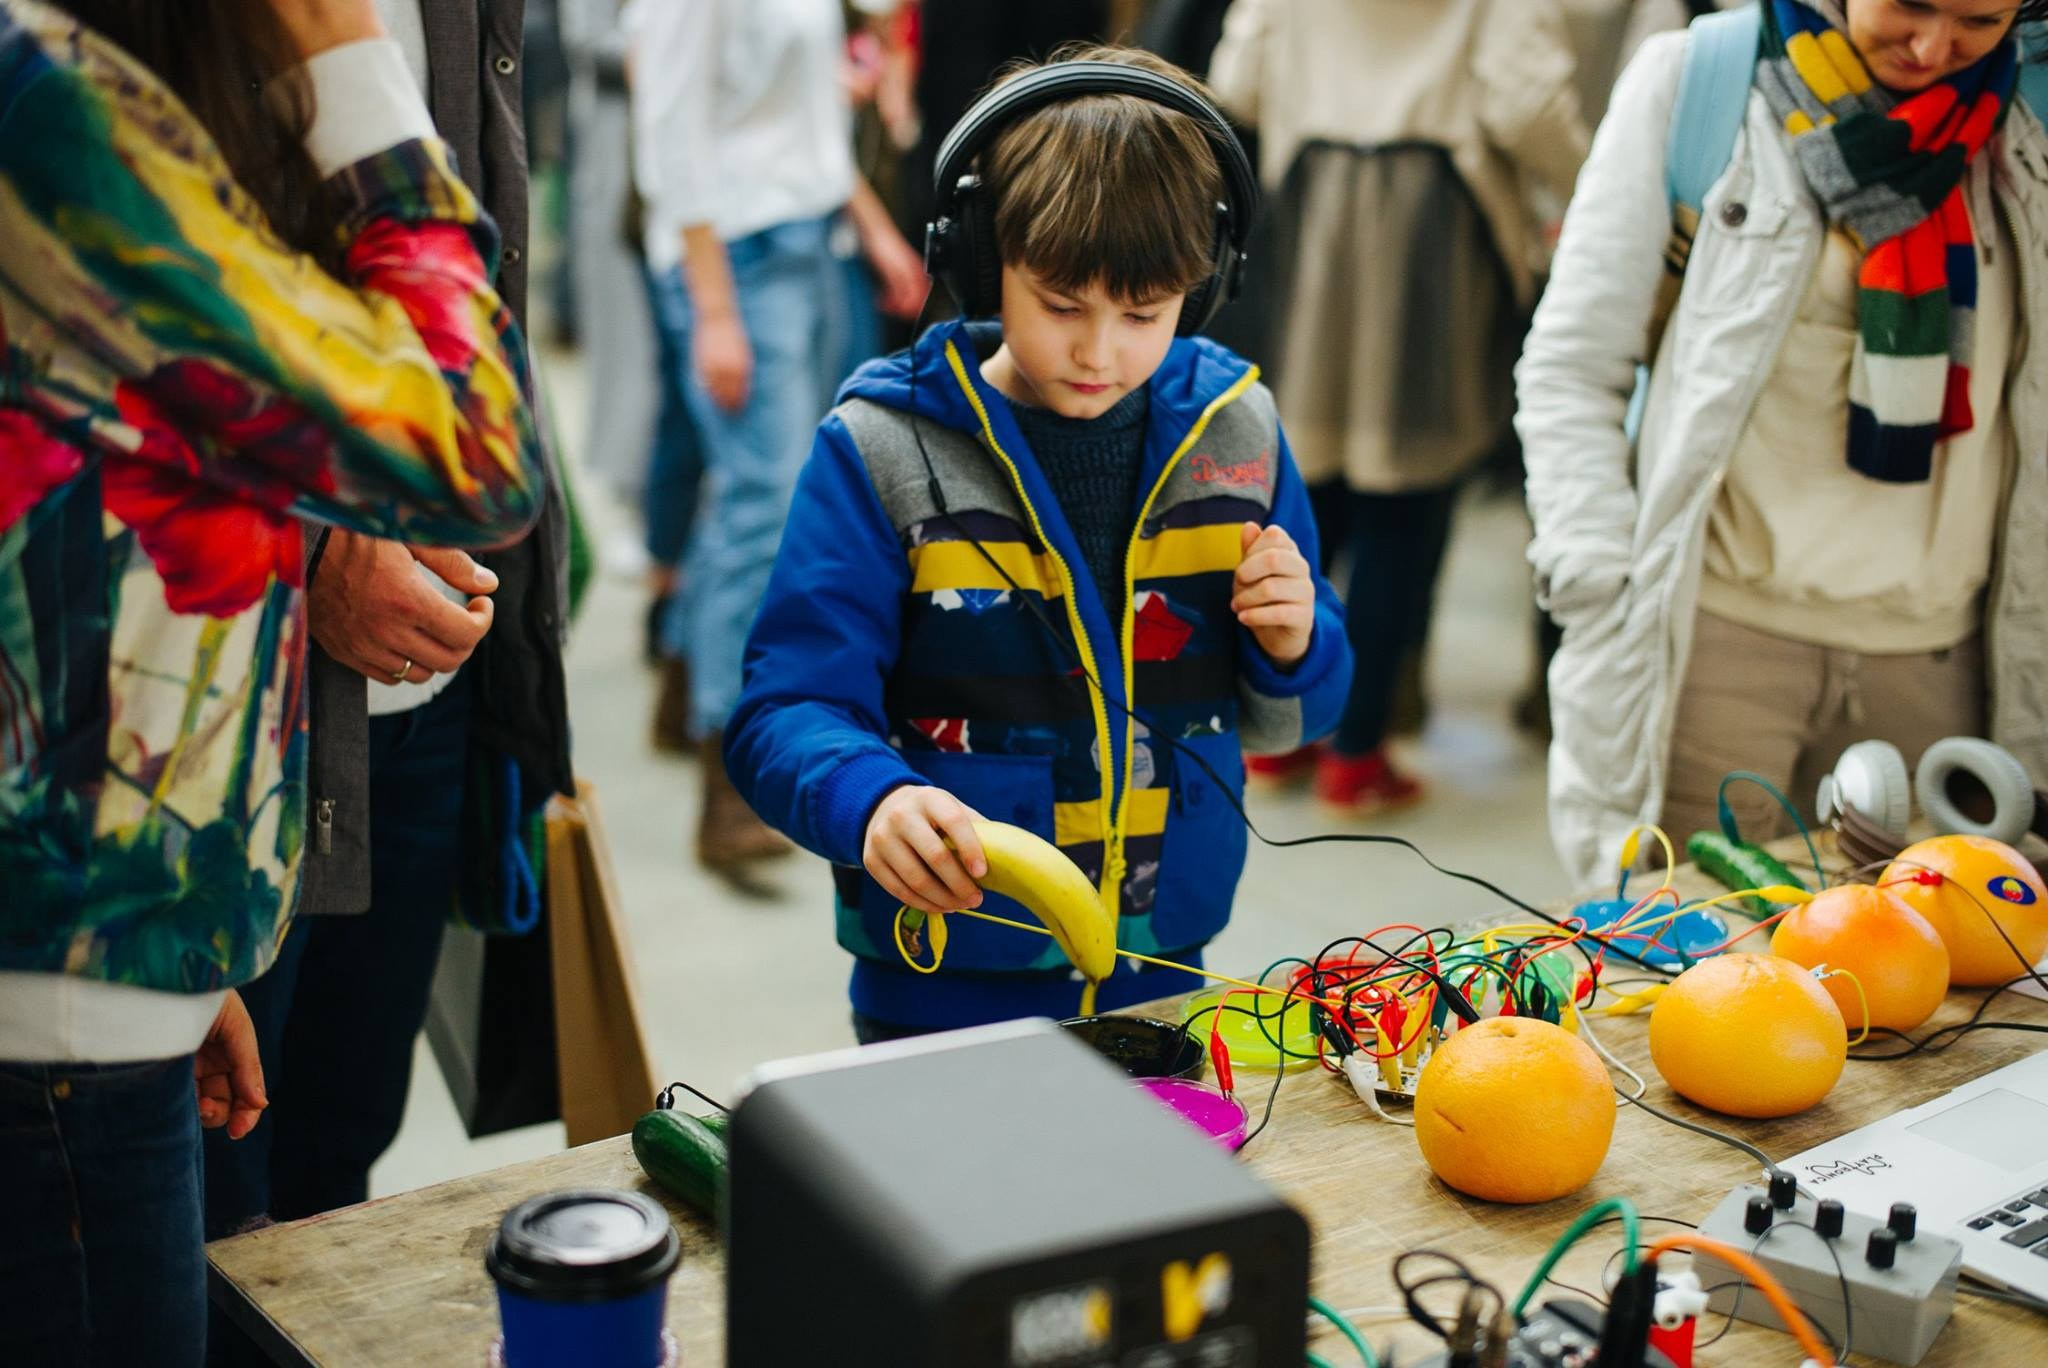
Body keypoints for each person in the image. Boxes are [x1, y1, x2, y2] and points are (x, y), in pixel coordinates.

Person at [0, 0, 547, 1360]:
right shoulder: (49, 103)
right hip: (58, 1004)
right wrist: (346, 57)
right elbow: (475, 446)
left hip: (104, 965)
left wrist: (174, 965)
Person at [725, 46, 1352, 1042]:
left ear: (1205, 283)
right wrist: (870, 800)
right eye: (1061, 305)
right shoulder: (883, 450)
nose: (1099, 351)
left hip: (1160, 966)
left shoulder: (1238, 435)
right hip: (944, 975)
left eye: (1142, 314)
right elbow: (781, 710)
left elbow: (1292, 721)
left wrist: (1295, 644)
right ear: (982, 258)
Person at [201, 0, 573, 1267]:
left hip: (428, 692)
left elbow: (476, 295)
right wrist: (304, 550)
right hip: (218, 721)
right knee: (203, 1195)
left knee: (336, 1165)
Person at [1519, 0, 2048, 890]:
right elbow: (1572, 363)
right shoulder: (1700, 86)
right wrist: (1597, 584)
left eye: (1979, 19)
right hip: (1718, 656)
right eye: (1910, 4)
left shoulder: (2027, 118)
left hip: (1950, 666)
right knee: (1701, 986)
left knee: (1926, 1003)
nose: (1932, 46)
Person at [1209, 0, 1590, 815]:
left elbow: (1235, 77)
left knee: (1311, 486)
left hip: (1314, 209)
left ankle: (1285, 732)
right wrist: (1587, 183)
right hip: (1435, 221)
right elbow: (1525, 100)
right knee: (1405, 502)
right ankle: (1358, 750)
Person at [625, 0, 928, 875]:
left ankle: (686, 675)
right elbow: (668, 138)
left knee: (786, 489)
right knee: (762, 502)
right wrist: (715, 311)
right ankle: (726, 775)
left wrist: (874, 236)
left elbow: (808, 127)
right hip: (739, 260)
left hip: (810, 244)